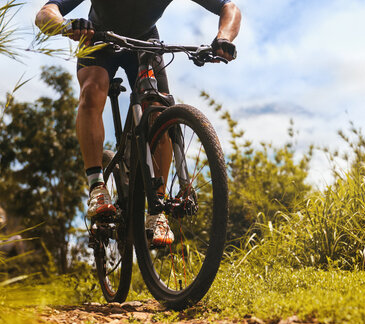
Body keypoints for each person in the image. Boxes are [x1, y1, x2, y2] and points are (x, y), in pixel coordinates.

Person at [35, 0, 241, 245]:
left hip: (146, 44)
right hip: (100, 39)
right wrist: (66, 25)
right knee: (91, 91)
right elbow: (45, 13)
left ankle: (158, 209)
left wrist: (224, 37)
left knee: (160, 111)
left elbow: (229, 7)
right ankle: (97, 187)